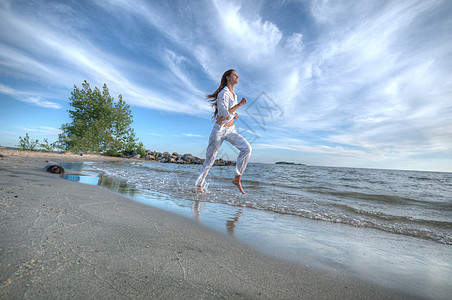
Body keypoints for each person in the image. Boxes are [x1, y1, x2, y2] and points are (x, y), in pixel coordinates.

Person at [195, 69, 252, 194]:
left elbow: (231, 113)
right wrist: (240, 105)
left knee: (247, 148)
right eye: (235, 75)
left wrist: (235, 114)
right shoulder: (223, 93)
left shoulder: (234, 95)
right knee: (210, 160)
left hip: (230, 130)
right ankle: (199, 185)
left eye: (238, 75)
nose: (238, 77)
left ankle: (237, 178)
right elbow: (223, 114)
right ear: (228, 77)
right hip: (219, 130)